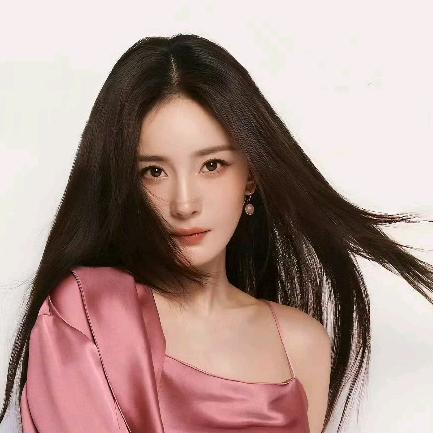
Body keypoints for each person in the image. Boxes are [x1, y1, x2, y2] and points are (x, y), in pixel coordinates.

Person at [1, 33, 432, 433]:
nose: (184, 203)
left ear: (250, 176)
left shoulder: (301, 345)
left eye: (212, 165)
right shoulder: (87, 312)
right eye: (153, 172)